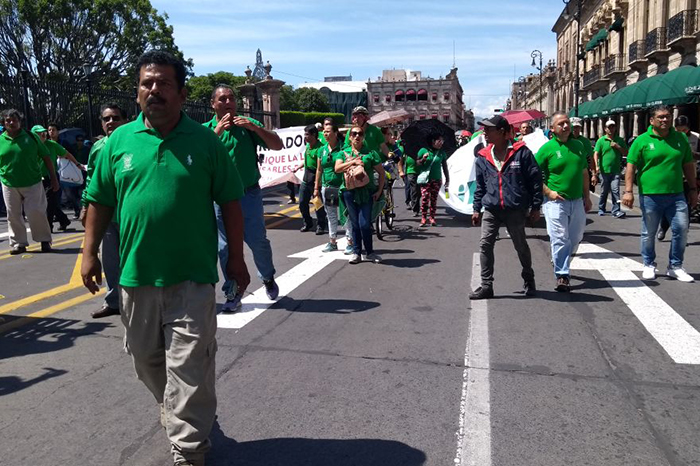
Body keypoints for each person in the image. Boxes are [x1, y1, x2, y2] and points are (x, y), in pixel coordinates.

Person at [82, 50, 250, 466]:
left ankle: (189, 449)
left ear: (182, 93)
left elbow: (231, 201)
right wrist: (89, 253)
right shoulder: (118, 142)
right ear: (138, 91)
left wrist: (237, 260)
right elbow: (99, 201)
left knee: (189, 365)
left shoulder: (206, 142)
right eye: (147, 83)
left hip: (192, 276)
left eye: (163, 83)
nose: (153, 90)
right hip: (135, 277)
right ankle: (179, 412)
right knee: (146, 360)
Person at [204, 84, 283, 312]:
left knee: (257, 241)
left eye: (231, 98)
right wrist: (218, 131)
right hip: (220, 199)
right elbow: (198, 157)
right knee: (224, 248)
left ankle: (267, 276)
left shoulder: (247, 125)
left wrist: (254, 128)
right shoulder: (206, 131)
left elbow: (277, 145)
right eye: (222, 99)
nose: (228, 103)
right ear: (213, 104)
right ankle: (233, 290)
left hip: (248, 194)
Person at [469, 115, 542, 299]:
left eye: (489, 129)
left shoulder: (521, 153)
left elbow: (535, 180)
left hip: (515, 208)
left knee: (520, 245)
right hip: (491, 208)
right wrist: (476, 209)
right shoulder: (483, 157)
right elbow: (480, 186)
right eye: (484, 129)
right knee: (485, 244)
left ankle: (528, 278)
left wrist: (536, 207)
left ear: (502, 132)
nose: (485, 133)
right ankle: (487, 286)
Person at [622, 105, 696, 283]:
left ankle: (675, 266)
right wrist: (628, 191)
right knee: (649, 232)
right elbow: (631, 166)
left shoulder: (680, 138)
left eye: (668, 116)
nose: (665, 120)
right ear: (652, 120)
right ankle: (648, 263)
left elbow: (688, 165)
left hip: (676, 194)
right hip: (650, 195)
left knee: (681, 229)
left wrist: (693, 189)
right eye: (661, 117)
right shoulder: (641, 140)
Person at [79, 103, 128, 319]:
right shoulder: (98, 148)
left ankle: (138, 302)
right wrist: (85, 206)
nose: (111, 122)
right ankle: (113, 301)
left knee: (133, 261)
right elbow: (91, 179)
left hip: (129, 214)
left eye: (115, 118)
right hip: (106, 215)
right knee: (110, 261)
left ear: (125, 121)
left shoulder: (132, 143)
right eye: (106, 119)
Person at [535, 112, 592, 292]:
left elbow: (584, 173)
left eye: (567, 123)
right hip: (555, 203)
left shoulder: (579, 146)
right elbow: (533, 174)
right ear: (552, 129)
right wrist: (548, 192)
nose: (566, 126)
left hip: (577, 201)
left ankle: (559, 259)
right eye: (561, 124)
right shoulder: (547, 149)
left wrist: (587, 197)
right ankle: (562, 275)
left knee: (575, 238)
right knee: (559, 238)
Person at [0, 109, 58, 255]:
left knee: (36, 211)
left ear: (20, 121)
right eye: (8, 120)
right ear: (4, 123)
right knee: (13, 214)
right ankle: (18, 243)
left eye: (14, 120)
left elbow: (46, 157)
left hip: (32, 182)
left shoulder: (31, 137)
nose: (11, 123)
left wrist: (54, 178)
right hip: (9, 183)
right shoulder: (1, 140)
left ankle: (44, 240)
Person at [335, 125, 385, 264]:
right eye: (354, 134)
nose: (357, 136)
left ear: (363, 137)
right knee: (355, 224)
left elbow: (381, 173)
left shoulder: (370, 153)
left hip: (366, 192)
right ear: (350, 137)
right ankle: (356, 252)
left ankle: (370, 252)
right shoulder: (343, 153)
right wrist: (353, 162)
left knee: (364, 224)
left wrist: (379, 191)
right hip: (349, 192)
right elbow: (337, 168)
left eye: (360, 134)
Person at [31, 125, 82, 231]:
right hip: (36, 178)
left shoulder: (52, 145)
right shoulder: (30, 147)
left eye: (43, 132)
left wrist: (77, 164)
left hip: (51, 178)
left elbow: (67, 154)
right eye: (39, 133)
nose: (43, 135)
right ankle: (63, 220)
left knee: (49, 202)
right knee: (46, 203)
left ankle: (48, 226)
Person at [658, 115, 700, 238]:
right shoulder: (669, 137)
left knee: (686, 205)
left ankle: (683, 233)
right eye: (679, 130)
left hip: (689, 176)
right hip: (672, 175)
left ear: (689, 128)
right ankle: (663, 227)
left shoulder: (696, 138)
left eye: (684, 130)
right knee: (668, 204)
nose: (682, 132)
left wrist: (691, 154)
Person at [314, 123, 344, 252]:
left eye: (328, 131)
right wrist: (316, 187)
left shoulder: (343, 148)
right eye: (324, 132)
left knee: (345, 215)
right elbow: (319, 169)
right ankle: (332, 241)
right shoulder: (322, 150)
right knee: (331, 215)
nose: (325, 134)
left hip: (343, 187)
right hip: (327, 188)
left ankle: (350, 241)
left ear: (335, 133)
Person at [296, 124, 328, 234]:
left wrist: (316, 186)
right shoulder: (308, 146)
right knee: (302, 203)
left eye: (307, 134)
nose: (305, 137)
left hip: (316, 178)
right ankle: (308, 223)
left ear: (314, 135)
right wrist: (298, 167)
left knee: (318, 204)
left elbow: (319, 168)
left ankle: (321, 225)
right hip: (306, 178)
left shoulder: (321, 148)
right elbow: (307, 160)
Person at [593, 120, 627, 218]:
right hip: (604, 171)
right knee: (604, 191)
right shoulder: (601, 140)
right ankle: (601, 208)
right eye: (609, 127)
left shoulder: (619, 140)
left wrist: (617, 146)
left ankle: (616, 210)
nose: (611, 129)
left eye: (613, 127)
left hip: (616, 171)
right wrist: (596, 166)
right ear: (605, 129)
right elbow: (596, 153)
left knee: (615, 190)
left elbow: (626, 153)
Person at [415, 131, 450, 226]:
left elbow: (445, 167)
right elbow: (417, 163)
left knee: (434, 199)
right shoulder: (423, 150)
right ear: (433, 141)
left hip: (437, 179)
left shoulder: (442, 153)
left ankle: (432, 217)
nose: (441, 143)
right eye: (439, 141)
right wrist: (423, 159)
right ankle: (423, 217)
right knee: (425, 198)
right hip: (426, 179)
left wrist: (447, 179)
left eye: (442, 141)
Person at [570, 117, 597, 191]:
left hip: (583, 172)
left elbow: (590, 158)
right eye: (573, 127)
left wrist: (593, 174)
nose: (575, 130)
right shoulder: (566, 140)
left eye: (577, 127)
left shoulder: (585, 141)